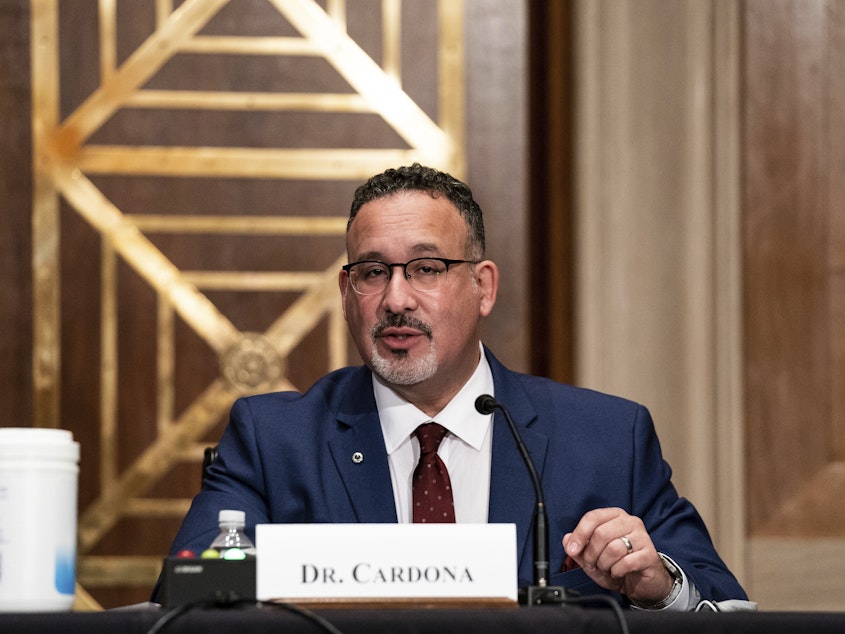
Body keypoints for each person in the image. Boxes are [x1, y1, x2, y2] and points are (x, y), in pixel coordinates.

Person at [161, 163, 750, 610]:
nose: (395, 299)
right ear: (347, 295)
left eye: (426, 268)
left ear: (484, 287)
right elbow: (186, 597)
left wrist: (659, 586)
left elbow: (729, 608)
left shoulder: (604, 439)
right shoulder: (273, 439)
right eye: (371, 272)